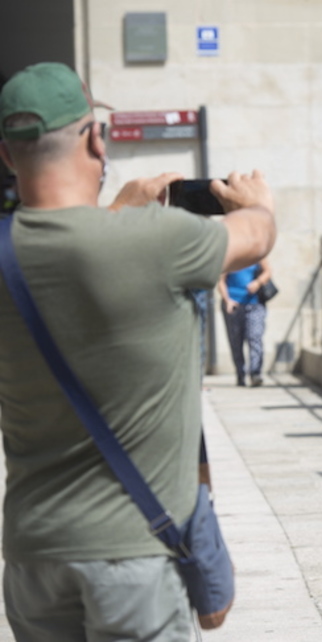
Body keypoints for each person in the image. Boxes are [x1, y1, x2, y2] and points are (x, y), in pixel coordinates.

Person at [0, 62, 276, 640]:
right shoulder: (158, 240)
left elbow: (64, 252)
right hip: (134, 557)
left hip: (31, 556)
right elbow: (256, 237)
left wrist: (115, 213)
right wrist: (255, 201)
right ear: (96, 139)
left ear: (7, 156)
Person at [218, 258, 272, 387]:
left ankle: (255, 373)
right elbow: (220, 281)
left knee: (255, 337)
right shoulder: (229, 255)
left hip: (255, 304)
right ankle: (240, 374)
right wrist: (227, 300)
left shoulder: (257, 253)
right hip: (234, 305)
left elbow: (268, 272)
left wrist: (257, 283)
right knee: (236, 342)